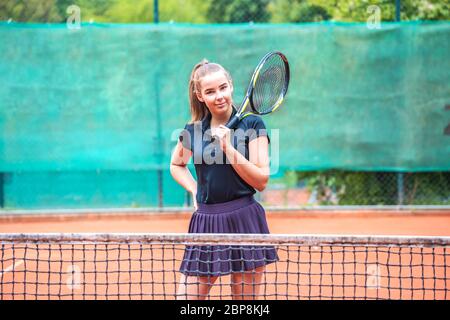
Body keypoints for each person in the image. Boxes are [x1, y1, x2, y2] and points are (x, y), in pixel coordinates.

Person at [170, 59, 277, 300]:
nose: (219, 96)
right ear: (200, 95)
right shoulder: (192, 131)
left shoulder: (253, 124)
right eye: (210, 91)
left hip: (244, 220)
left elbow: (261, 180)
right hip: (205, 223)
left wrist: (228, 147)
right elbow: (176, 165)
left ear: (230, 86)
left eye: (222, 88)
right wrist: (195, 189)